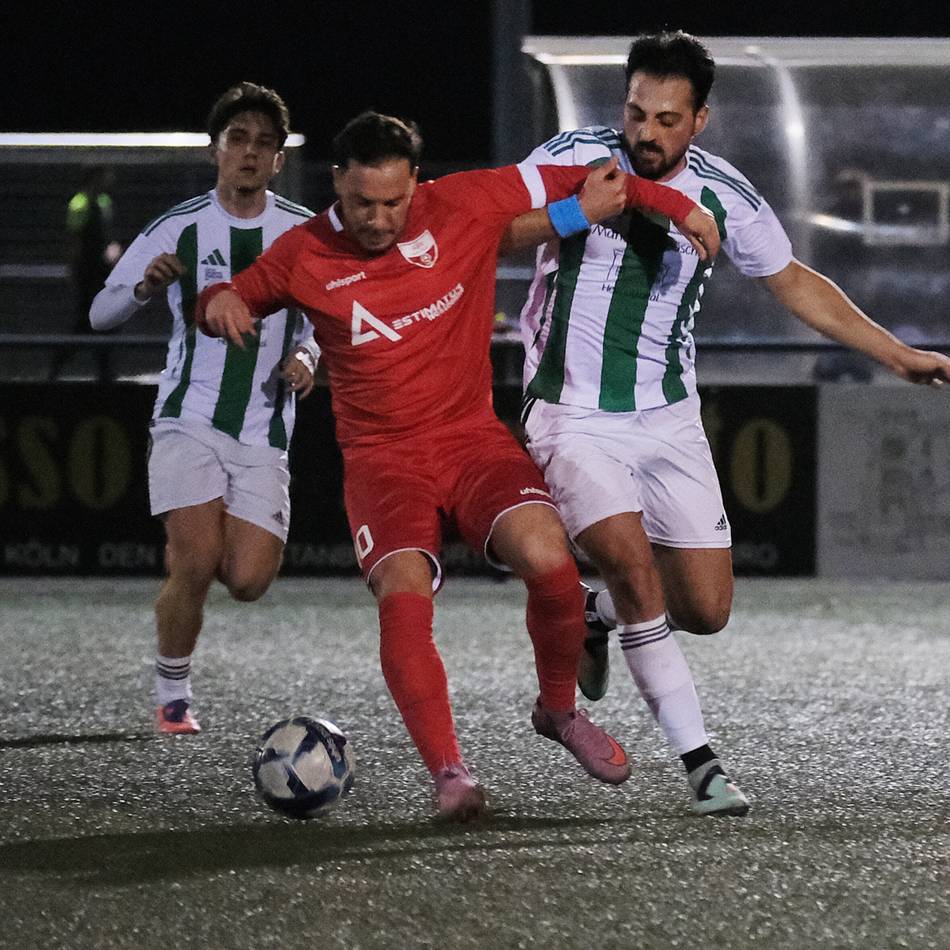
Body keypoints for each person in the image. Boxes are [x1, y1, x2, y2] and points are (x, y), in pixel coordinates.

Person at [195, 111, 721, 820]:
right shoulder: (303, 252)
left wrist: (681, 206)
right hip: (384, 463)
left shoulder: (463, 201)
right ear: (337, 185)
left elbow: (603, 180)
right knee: (404, 598)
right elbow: (230, 296)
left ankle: (558, 711)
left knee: (551, 562)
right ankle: (451, 774)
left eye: (393, 201)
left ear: (417, 181)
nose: (379, 219)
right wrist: (218, 302)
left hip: (471, 440)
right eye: (362, 203)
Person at [502, 30, 950, 816]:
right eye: (636, 112)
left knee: (705, 611)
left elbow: (794, 281)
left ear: (700, 120)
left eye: (667, 119)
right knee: (634, 568)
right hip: (570, 413)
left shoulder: (726, 193)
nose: (646, 132)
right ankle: (701, 764)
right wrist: (574, 210)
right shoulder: (572, 155)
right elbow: (493, 228)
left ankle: (595, 617)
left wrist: (896, 353)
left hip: (668, 418)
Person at [89, 82, 321, 735]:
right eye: (237, 139)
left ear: (278, 160)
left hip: (265, 428)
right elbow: (101, 313)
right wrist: (143, 286)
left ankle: (198, 555)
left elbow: (327, 318)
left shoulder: (303, 232)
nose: (249, 152)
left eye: (263, 144)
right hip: (187, 418)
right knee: (194, 559)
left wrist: (308, 357)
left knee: (247, 580)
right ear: (215, 150)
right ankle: (173, 696)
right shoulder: (178, 226)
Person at [50, 165, 122, 382]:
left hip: (102, 271)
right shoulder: (80, 204)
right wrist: (73, 269)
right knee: (87, 321)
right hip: (87, 271)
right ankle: (61, 364)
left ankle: (102, 371)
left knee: (99, 321)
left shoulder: (104, 202)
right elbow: (75, 239)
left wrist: (112, 249)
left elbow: (106, 235)